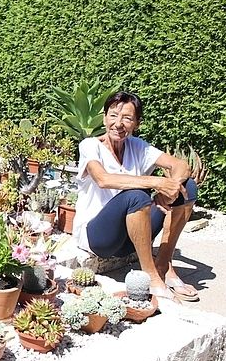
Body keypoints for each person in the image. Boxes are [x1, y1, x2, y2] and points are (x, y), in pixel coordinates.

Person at [72, 91, 199, 302]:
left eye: (127, 118)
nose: (118, 124)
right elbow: (103, 179)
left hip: (132, 236)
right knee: (136, 196)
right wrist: (157, 183)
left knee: (189, 187)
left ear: (137, 123)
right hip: (99, 238)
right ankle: (151, 278)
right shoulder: (90, 146)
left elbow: (180, 165)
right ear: (104, 118)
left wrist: (171, 188)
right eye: (113, 116)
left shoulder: (138, 146)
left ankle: (163, 265)